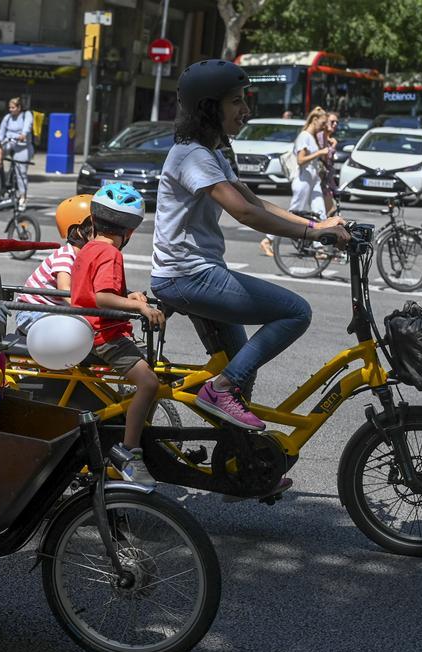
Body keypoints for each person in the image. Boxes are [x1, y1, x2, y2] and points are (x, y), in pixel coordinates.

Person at [150, 59, 348, 440]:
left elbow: (253, 200)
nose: (246, 111)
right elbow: (243, 212)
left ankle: (241, 462)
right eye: (236, 102)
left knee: (242, 369)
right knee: (295, 312)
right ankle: (219, 391)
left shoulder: (212, 153)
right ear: (209, 108)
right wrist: (312, 236)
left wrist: (316, 224)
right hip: (186, 275)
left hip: (198, 273)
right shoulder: (192, 155)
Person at [69, 183, 162, 485]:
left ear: (93, 221)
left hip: (87, 329)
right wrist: (141, 309)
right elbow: (102, 297)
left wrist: (130, 295)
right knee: (149, 383)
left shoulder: (89, 248)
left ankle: (126, 427)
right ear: (130, 232)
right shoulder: (110, 254)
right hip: (105, 336)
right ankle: (130, 450)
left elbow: (94, 291)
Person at [13, 194, 92, 332]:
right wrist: (90, 311)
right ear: (79, 231)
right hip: (32, 312)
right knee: (76, 332)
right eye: (97, 228)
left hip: (52, 311)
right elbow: (64, 290)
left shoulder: (85, 256)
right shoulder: (66, 255)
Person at [262, 106, 330, 256]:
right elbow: (300, 160)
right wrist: (319, 152)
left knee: (320, 213)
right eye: (323, 123)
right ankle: (268, 239)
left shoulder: (313, 138)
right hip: (303, 180)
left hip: (313, 180)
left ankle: (319, 247)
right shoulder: (304, 136)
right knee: (292, 215)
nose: (324, 126)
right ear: (314, 120)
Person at [0, 97, 34, 209]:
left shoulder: (26, 115)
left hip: (22, 147)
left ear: (19, 107)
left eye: (13, 107)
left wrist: (23, 134)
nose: (11, 110)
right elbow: (1, 132)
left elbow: (27, 126)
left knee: (21, 173)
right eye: (9, 107)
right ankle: (1, 185)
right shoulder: (7, 118)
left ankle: (23, 197)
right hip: (9, 143)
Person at [318, 111, 340, 216]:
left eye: (337, 122)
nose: (335, 124)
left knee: (329, 211)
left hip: (325, 183)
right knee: (329, 211)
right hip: (318, 182)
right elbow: (324, 158)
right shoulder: (320, 136)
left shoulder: (326, 138)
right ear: (325, 122)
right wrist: (333, 146)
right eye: (332, 122)